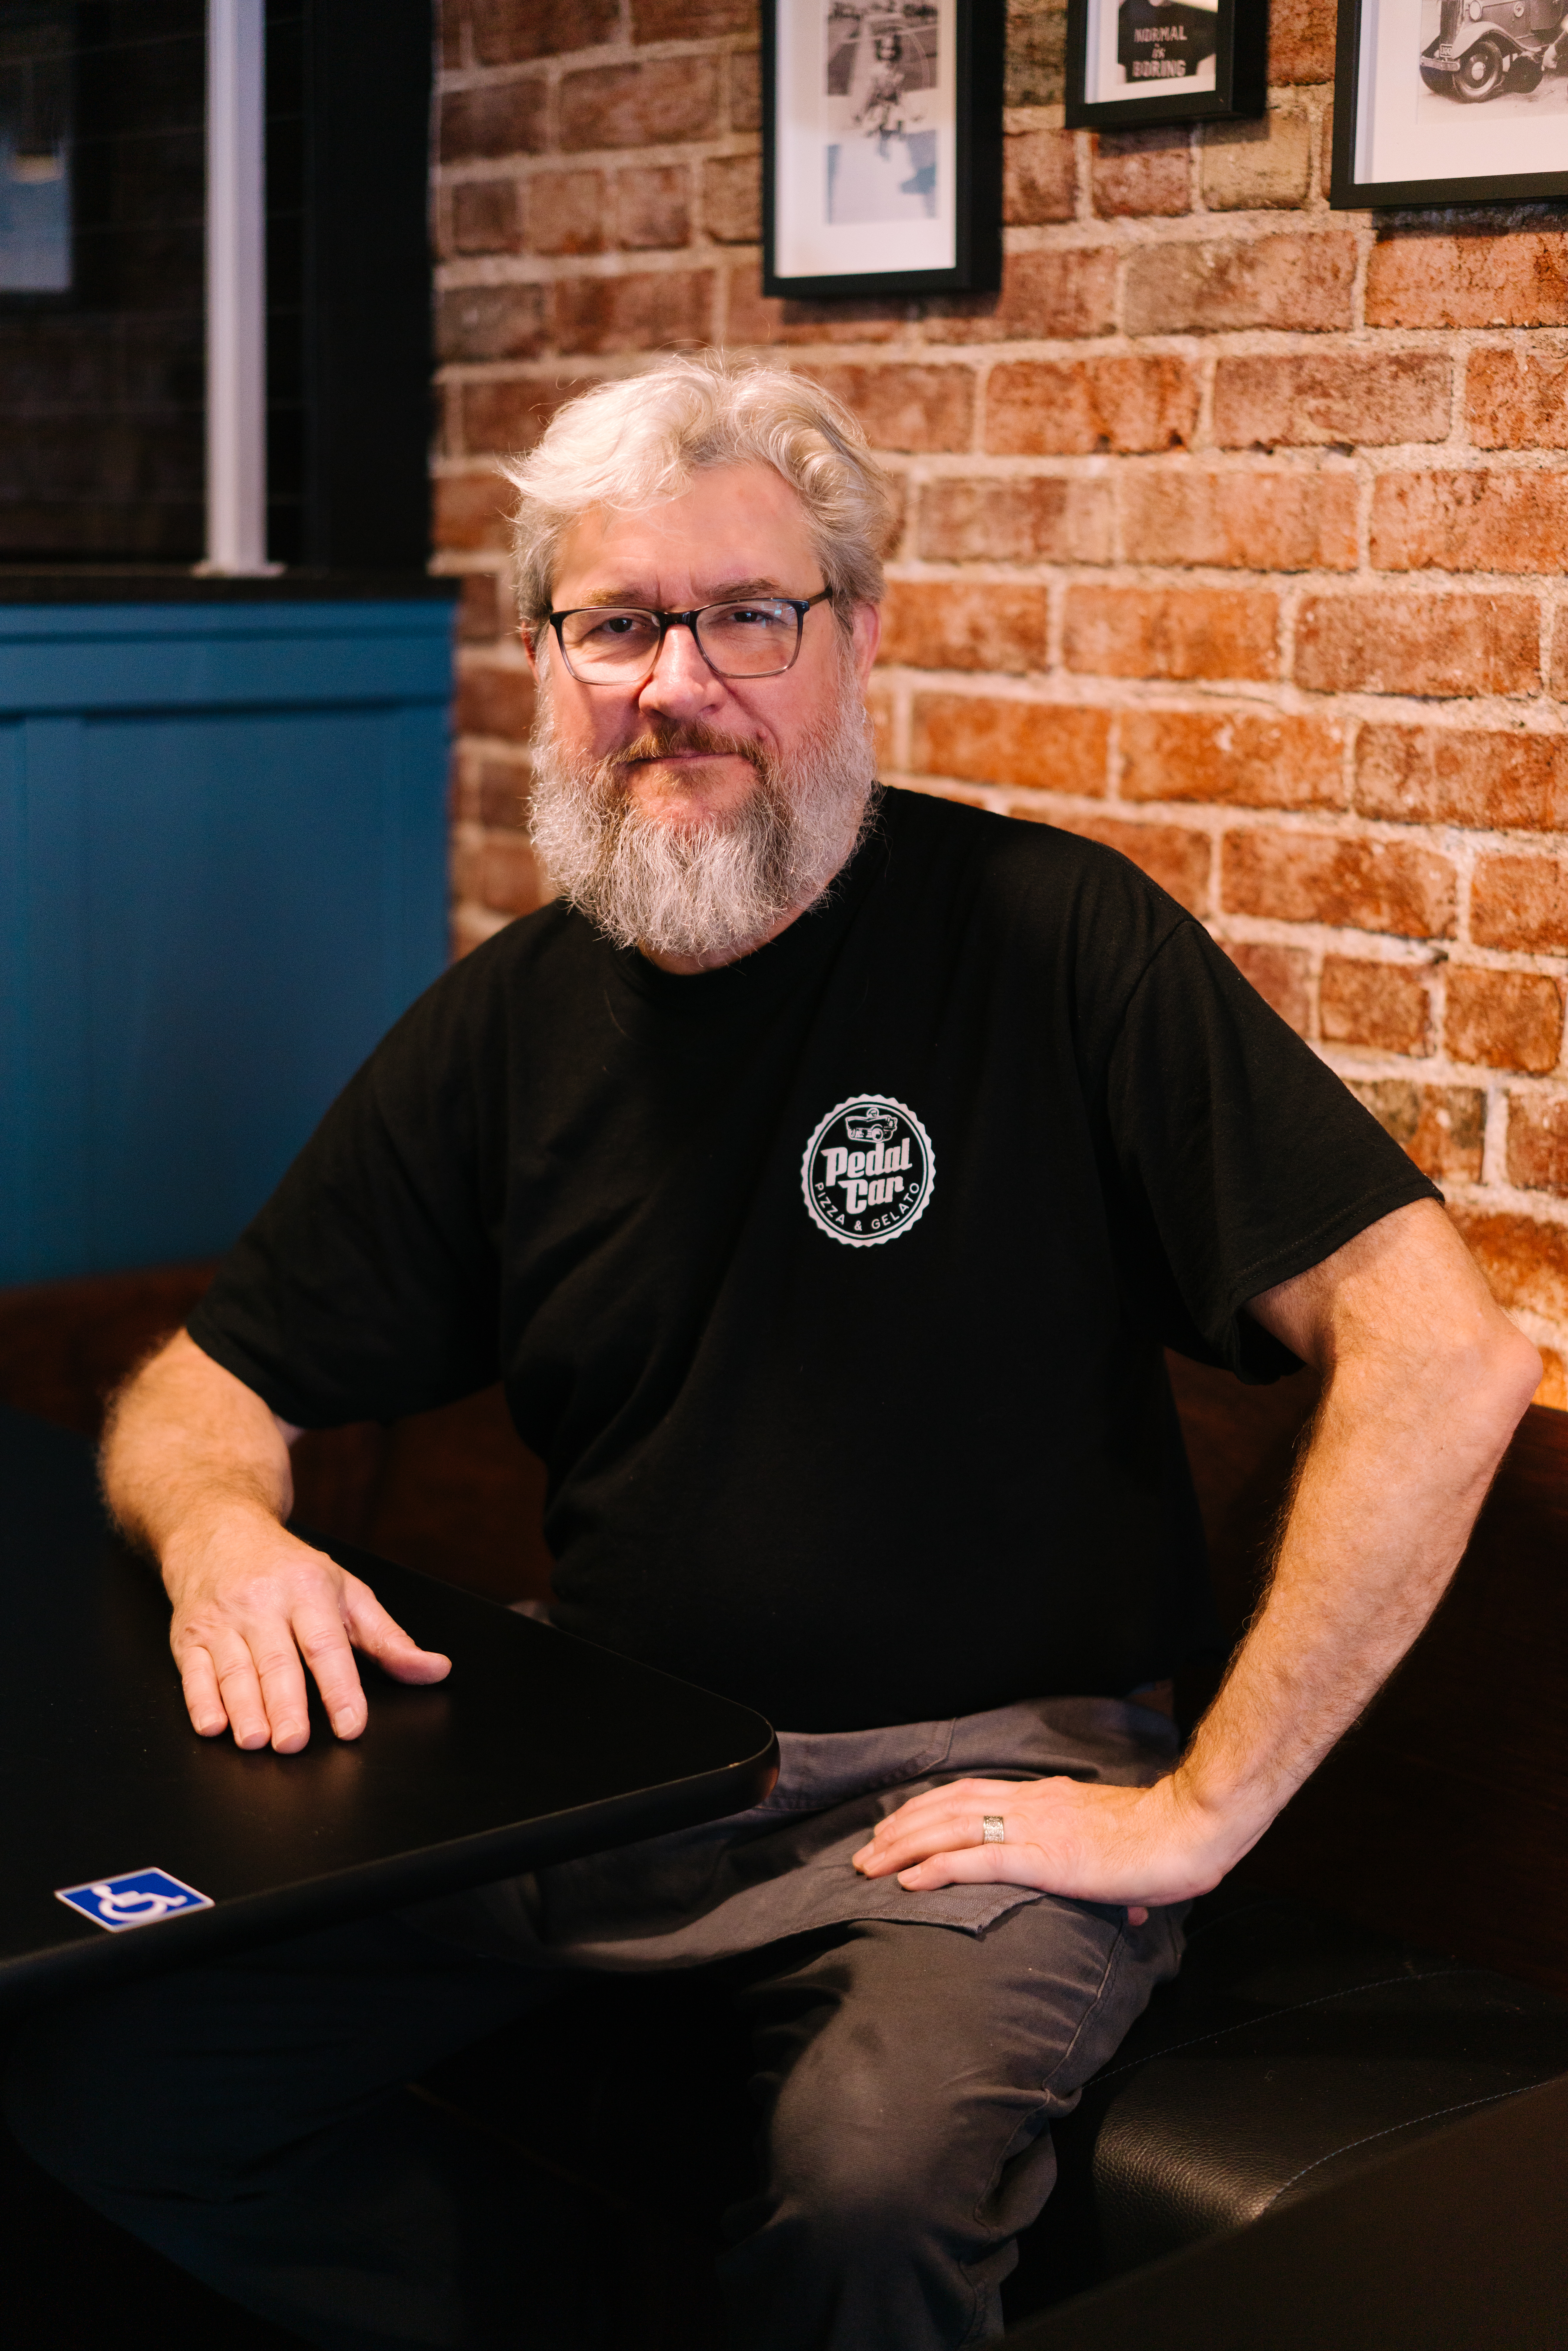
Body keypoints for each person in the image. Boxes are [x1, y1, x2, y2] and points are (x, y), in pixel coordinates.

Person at [4, 354, 1538, 2351]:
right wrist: (222, 1537)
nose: (675, 679)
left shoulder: (1052, 940)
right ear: (553, 659)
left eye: (745, 615)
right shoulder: (505, 1026)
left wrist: (1198, 1813)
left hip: (972, 1799)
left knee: (865, 2200)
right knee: (102, 2078)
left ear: (856, 636)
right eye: (618, 622)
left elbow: (1445, 1353)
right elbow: (204, 1389)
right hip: (598, 1776)